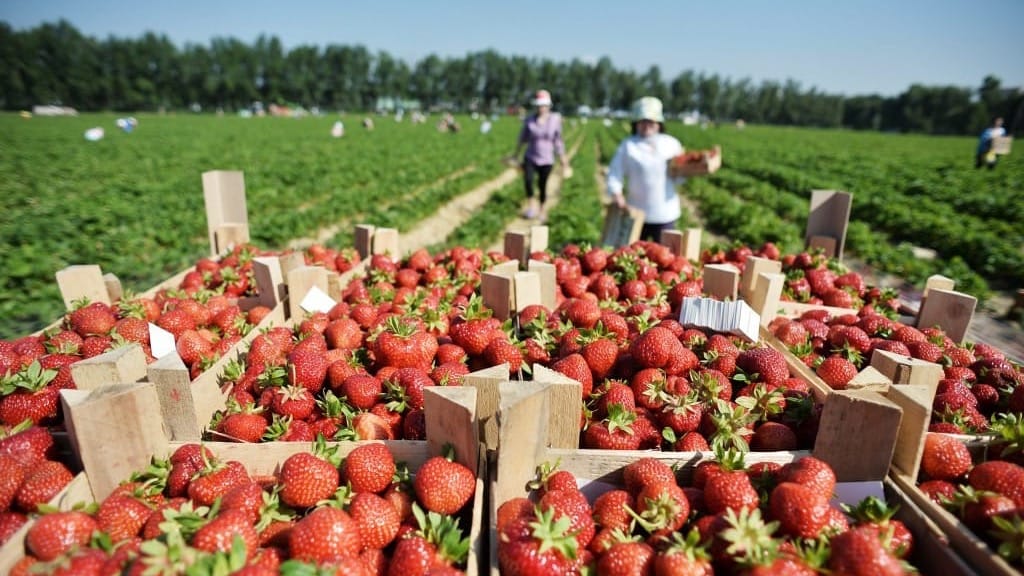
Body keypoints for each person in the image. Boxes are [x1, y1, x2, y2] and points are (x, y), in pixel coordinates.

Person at [606, 96, 685, 241]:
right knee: (635, 252)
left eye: (651, 121)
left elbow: (680, 178)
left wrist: (684, 171)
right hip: (636, 212)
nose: (647, 125)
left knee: (664, 253)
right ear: (636, 123)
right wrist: (617, 195)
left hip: (665, 213)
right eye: (642, 121)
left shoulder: (671, 144)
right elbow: (614, 172)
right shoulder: (628, 145)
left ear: (659, 123)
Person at [513, 89, 569, 221]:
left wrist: (563, 158)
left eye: (543, 105)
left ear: (549, 106)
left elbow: (558, 141)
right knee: (528, 181)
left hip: (547, 159)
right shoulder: (530, 120)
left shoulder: (555, 120)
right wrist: (516, 154)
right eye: (539, 105)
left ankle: (542, 210)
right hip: (530, 157)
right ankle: (531, 207)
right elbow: (522, 138)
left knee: (542, 185)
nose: (541, 108)